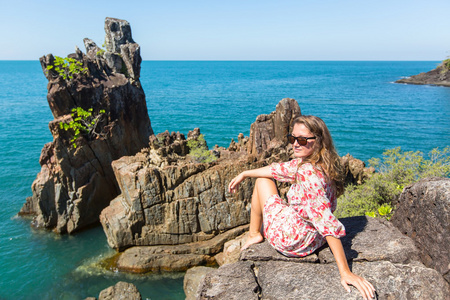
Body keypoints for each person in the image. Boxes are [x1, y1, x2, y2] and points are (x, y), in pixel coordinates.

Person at [228, 115, 375, 300]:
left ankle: (254, 234)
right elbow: (277, 169)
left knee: (261, 182)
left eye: (303, 140)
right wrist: (244, 173)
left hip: (294, 240)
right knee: (264, 178)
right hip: (314, 237)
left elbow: (327, 223)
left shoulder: (307, 173)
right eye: (292, 138)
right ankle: (256, 233)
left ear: (319, 141)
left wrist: (346, 272)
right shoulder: (322, 162)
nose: (295, 144)